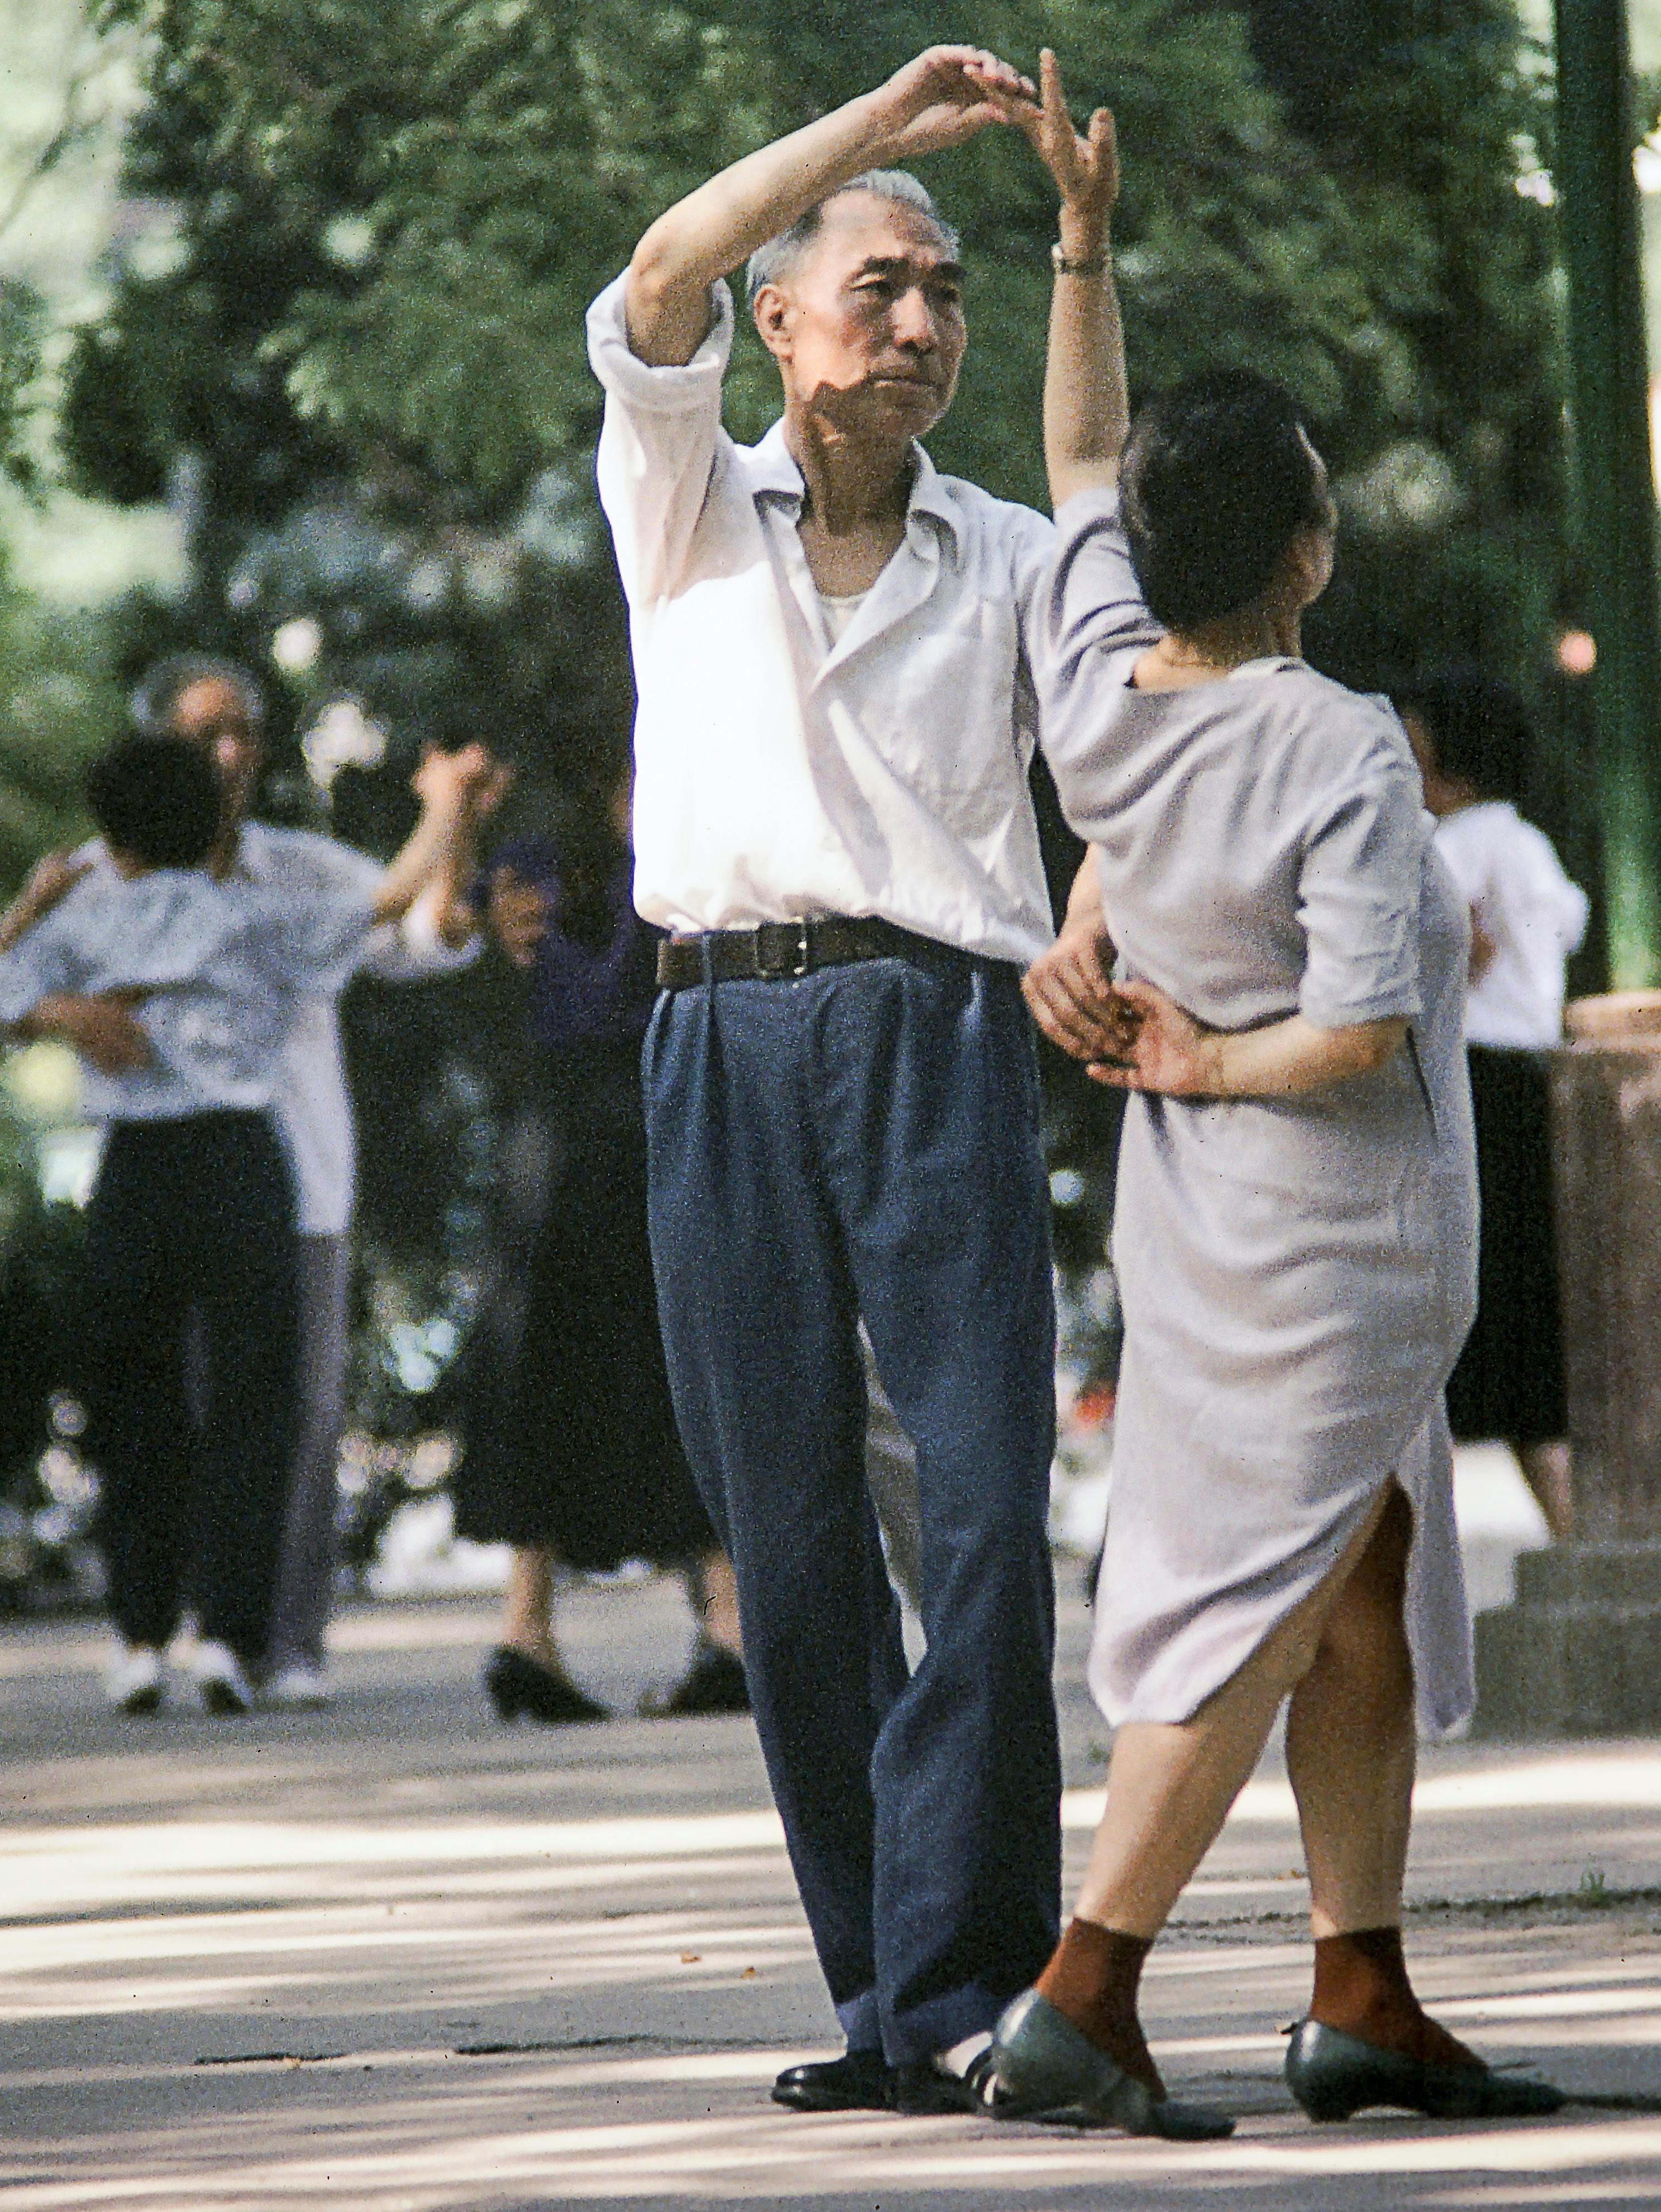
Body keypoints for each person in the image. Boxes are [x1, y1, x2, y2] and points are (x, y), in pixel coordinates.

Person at [984, 58, 1566, 2136]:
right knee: (1280, 1587)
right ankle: (1085, 1989)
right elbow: (1358, 1026)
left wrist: (1082, 243)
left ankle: (1362, 1993)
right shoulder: (1338, 748)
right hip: (1336, 1230)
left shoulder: (1087, 679)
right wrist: (1210, 1052)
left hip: (1197, 1218)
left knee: (1365, 1581)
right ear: (1307, 554)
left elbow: (1069, 447)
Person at [589, 44, 1074, 2114]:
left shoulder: (1021, 556)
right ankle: (888, 1996)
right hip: (717, 1033)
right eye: (881, 282)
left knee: (979, 1512)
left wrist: (1082, 257)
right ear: (781, 326)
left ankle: (978, 1981)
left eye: (950, 293)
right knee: (784, 1537)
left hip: (940, 1033)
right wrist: (878, 132)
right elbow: (665, 257)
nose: (921, 323)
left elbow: (1126, 763)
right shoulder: (684, 493)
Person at [0, 657, 500, 1708]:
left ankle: (136, 1639)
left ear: (113, 830)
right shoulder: (249, 916)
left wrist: (33, 918)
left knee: (137, 1403)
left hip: (139, 1168)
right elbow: (395, 900)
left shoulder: (85, 908)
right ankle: (228, 1639)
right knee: (259, 1406)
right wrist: (441, 807)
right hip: (244, 1157)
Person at [428, 776, 749, 1723]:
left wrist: (458, 825)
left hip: (556, 1123)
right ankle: (727, 1622)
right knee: (675, 1355)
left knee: (540, 1360)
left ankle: (527, 1629)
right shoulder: (692, 815)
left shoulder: (536, 856)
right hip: (659, 1099)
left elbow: (448, 928)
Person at [1395, 669, 1588, 1540]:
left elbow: (1447, 949)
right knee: (1529, 1325)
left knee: (1477, 1307)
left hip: (1473, 1082)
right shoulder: (1527, 843)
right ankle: (1578, 1526)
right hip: (1534, 1080)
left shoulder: (1454, 845)